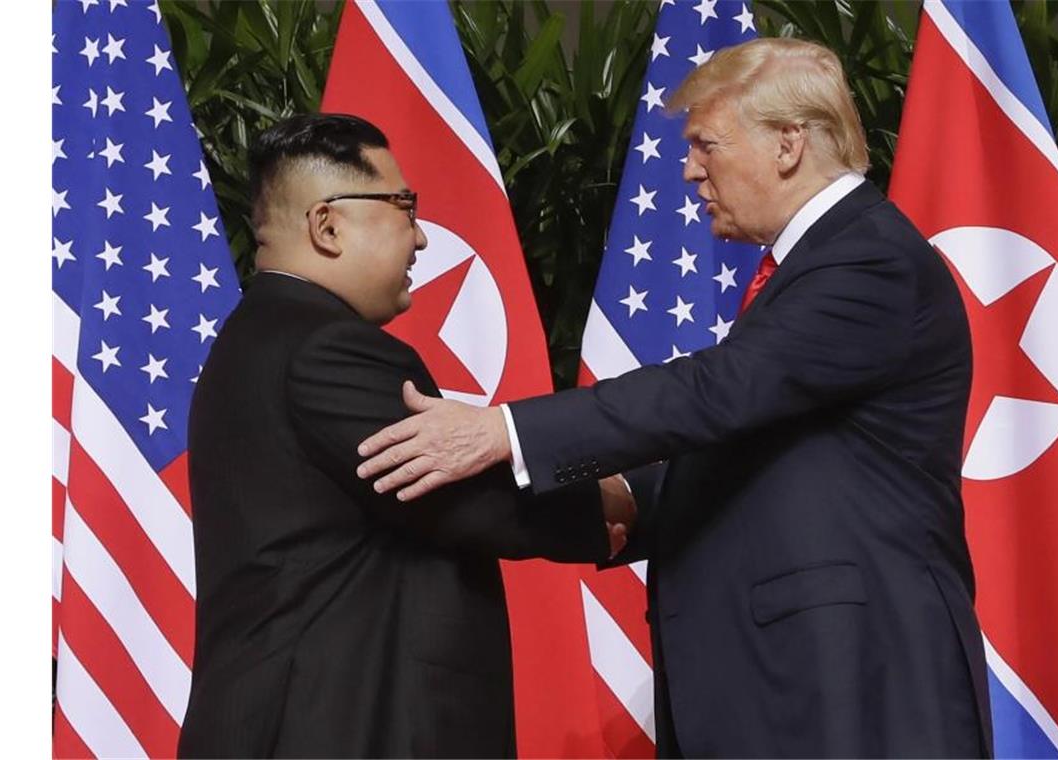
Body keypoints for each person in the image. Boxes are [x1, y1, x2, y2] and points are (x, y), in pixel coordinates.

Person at [355, 38, 993, 758]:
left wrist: (503, 430)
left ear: (788, 144)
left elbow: (717, 391)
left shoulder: (869, 259)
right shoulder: (817, 264)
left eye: (706, 145)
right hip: (790, 681)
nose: (690, 170)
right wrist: (629, 497)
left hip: (851, 677)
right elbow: (762, 441)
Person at [177, 113, 632, 759]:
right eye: (403, 206)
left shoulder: (263, 336)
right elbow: (468, 500)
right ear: (327, 225)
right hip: (335, 731)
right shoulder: (324, 346)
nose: (420, 237)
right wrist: (623, 504)